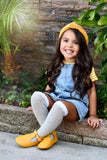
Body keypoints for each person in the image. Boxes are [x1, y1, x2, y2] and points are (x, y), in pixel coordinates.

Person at [16, 22, 103, 149]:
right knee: (36, 96)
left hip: (75, 105)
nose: (69, 45)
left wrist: (93, 115)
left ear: (82, 47)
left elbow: (92, 92)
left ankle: (38, 136)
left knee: (59, 105)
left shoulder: (85, 67)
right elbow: (50, 87)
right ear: (60, 43)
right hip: (56, 98)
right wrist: (40, 104)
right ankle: (50, 135)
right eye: (66, 40)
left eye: (75, 43)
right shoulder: (56, 64)